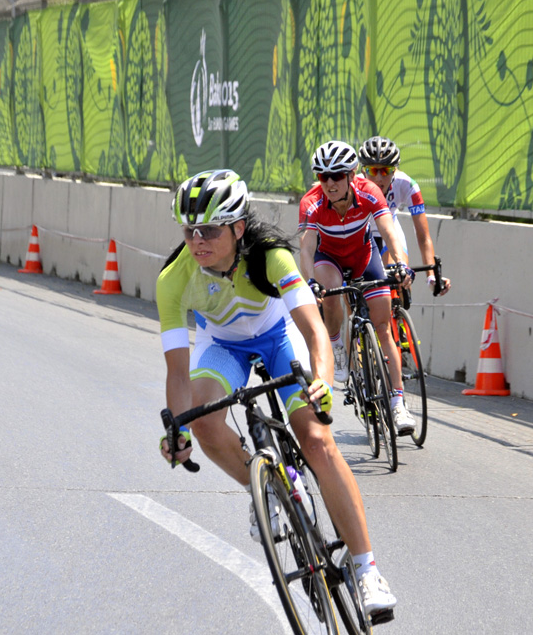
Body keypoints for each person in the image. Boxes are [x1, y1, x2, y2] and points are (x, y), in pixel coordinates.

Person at [156, 168, 398, 618]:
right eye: (189, 230)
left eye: (209, 229)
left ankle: (367, 571)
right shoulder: (173, 279)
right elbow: (177, 372)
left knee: (317, 440)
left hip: (278, 337)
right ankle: (260, 483)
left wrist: (322, 381)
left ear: (238, 227)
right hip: (223, 346)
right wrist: (179, 427)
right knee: (205, 421)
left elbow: (314, 330)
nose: (197, 240)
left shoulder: (271, 257)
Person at [297, 140, 416, 436]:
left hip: (364, 256)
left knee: (384, 327)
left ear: (352, 175)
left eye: (337, 175)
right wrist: (309, 281)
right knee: (330, 287)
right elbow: (307, 247)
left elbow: (388, 231)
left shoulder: (369, 192)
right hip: (329, 259)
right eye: (323, 176)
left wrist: (401, 264)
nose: (330, 183)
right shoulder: (311, 202)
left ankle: (398, 404)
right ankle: (337, 344)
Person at [357, 136, 452, 298]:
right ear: (362, 170)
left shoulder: (407, 185)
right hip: (361, 235)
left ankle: (398, 312)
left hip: (389, 232)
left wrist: (430, 277)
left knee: (400, 276)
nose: (379, 178)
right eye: (373, 170)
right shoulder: (354, 186)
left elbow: (423, 236)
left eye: (385, 170)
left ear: (394, 170)